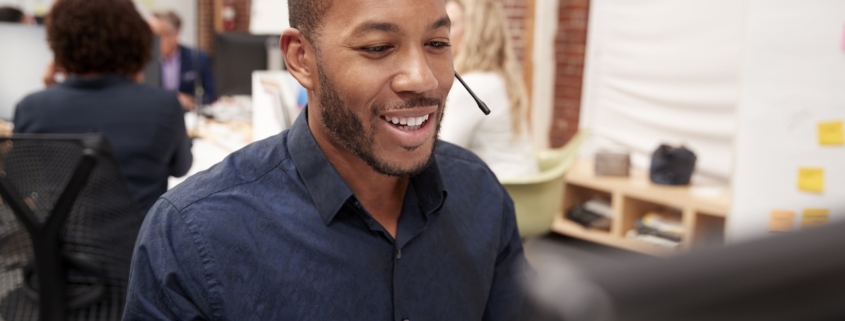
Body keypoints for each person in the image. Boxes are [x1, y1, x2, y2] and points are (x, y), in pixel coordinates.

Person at [123, 0, 529, 320]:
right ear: (302, 59)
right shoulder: (196, 234)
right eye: (378, 48)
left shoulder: (480, 195)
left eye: (437, 44)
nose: (422, 79)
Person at [13, 0, 192, 214]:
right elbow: (181, 168)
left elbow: (22, 182)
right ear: (135, 41)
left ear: (59, 43)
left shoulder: (31, 108)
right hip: (139, 245)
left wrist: (52, 92)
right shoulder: (163, 106)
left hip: (59, 245)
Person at [441, 0, 539, 179]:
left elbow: (442, 156)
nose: (442, 33)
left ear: (473, 30)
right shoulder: (499, 78)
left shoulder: (472, 86)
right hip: (525, 188)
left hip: (499, 193)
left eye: (450, 24)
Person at [149, 10, 217, 110]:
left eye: (157, 35)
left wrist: (192, 100)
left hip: (187, 116)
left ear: (175, 34)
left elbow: (211, 95)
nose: (151, 40)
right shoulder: (146, 61)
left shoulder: (197, 58)